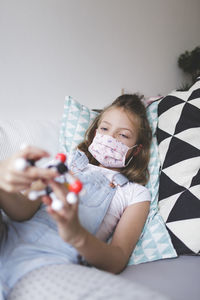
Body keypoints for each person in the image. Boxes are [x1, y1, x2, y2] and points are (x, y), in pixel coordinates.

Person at [0, 94, 152, 299]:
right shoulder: (67, 161)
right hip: (7, 233)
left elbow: (117, 259)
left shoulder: (135, 194)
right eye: (105, 129)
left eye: (123, 135)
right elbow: (22, 210)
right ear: (96, 131)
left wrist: (76, 235)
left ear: (136, 150)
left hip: (48, 262)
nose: (110, 138)